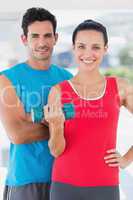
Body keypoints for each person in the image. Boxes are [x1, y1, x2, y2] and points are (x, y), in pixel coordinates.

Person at [44, 19, 133, 200]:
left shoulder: (120, 87)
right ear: (74, 48)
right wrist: (57, 125)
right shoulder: (58, 91)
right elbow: (55, 151)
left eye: (96, 47)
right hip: (64, 186)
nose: (88, 53)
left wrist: (126, 159)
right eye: (81, 46)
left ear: (105, 49)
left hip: (105, 186)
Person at [0, 7, 72, 200]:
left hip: (64, 178)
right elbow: (18, 134)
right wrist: (59, 125)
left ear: (55, 38)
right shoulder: (7, 79)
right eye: (35, 36)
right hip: (25, 181)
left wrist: (37, 119)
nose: (42, 42)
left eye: (48, 35)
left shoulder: (67, 79)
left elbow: (79, 130)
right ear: (25, 39)